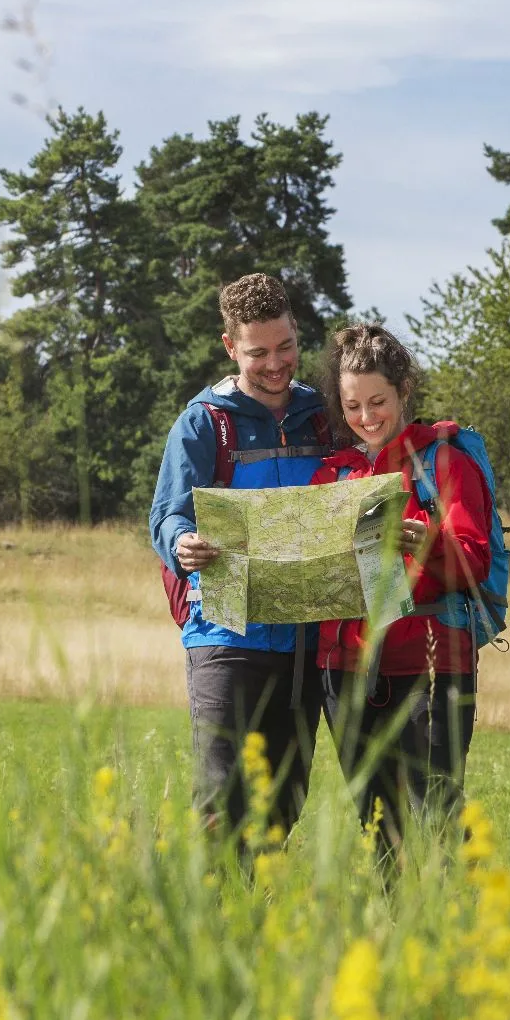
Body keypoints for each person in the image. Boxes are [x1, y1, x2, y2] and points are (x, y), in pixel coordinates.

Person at [148, 273, 332, 841]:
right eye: (258, 353)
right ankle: (211, 921)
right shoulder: (204, 423)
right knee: (222, 803)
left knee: (281, 809)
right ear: (231, 347)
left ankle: (258, 923)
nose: (276, 364)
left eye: (286, 347)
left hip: (305, 639)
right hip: (225, 636)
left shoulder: (322, 415)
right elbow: (166, 516)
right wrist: (183, 543)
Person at [311, 324, 490, 853]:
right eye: (352, 407)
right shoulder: (332, 475)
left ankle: (465, 927)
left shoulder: (444, 463)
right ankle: (395, 932)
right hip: (346, 673)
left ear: (404, 389)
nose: (366, 419)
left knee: (436, 820)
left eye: (377, 402)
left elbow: (473, 564)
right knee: (377, 831)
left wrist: (428, 543)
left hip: (432, 667)